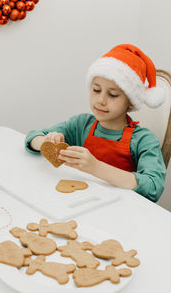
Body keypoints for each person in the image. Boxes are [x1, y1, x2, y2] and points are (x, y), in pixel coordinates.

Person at [25, 44, 166, 202]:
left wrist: (96, 167)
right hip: (80, 203)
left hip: (122, 211)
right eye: (96, 90)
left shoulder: (143, 140)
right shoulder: (80, 124)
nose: (101, 100)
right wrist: (46, 142)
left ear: (131, 102)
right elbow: (32, 137)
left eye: (113, 94)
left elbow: (153, 187)